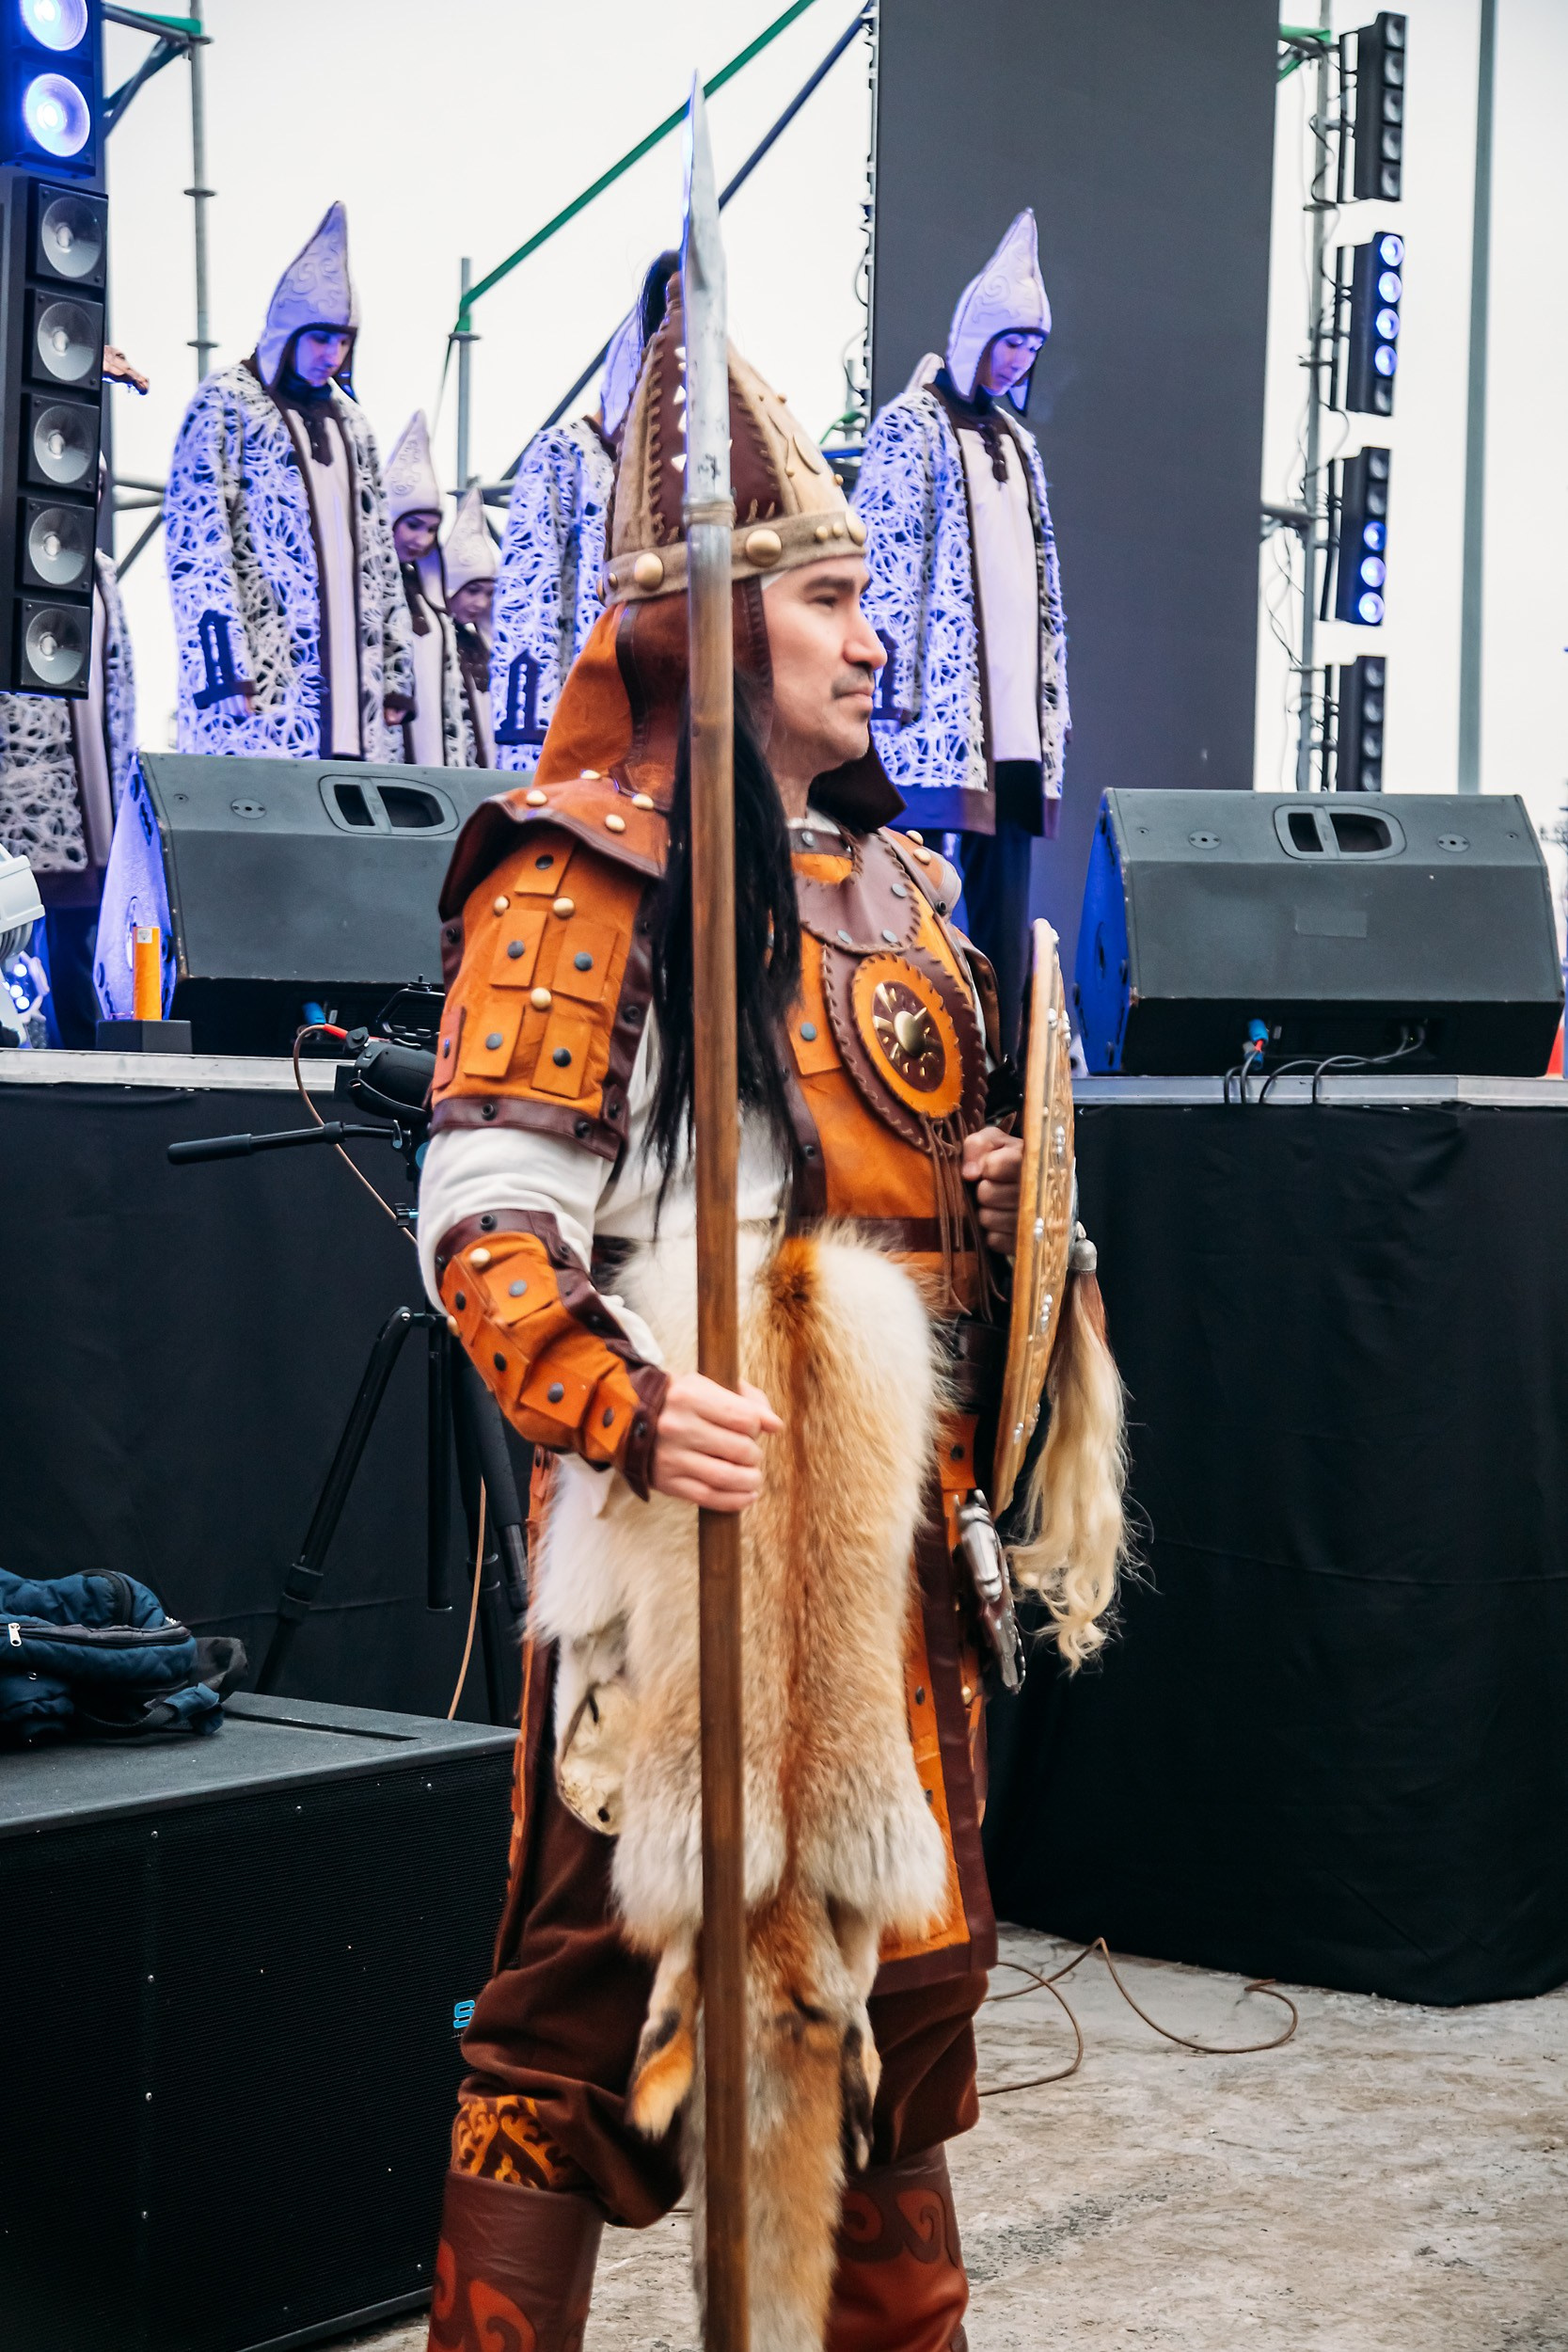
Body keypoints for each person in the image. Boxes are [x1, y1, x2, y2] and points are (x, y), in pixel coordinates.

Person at [417, 285, 1124, 2352]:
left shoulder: (903, 903)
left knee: (896, 2002)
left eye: (864, 598)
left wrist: (997, 1219)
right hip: (677, 1568)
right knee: (570, 2028)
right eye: (825, 598)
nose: (871, 636)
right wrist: (626, 1403)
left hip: (886, 1568)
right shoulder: (576, 873)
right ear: (715, 627)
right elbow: (486, 1218)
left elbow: (964, 1244)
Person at [855, 209, 1069, 1057]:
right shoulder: (909, 425)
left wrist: (1050, 707)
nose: (1018, 360)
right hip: (932, 718)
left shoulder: (1020, 445)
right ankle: (909, 1055)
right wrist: (885, 693)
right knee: (915, 890)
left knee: (1004, 899)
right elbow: (885, 559)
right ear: (977, 335)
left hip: (1012, 722)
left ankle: (1005, 1065)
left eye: (1031, 348)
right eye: (1010, 341)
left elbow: (1045, 588)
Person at [165, 201, 412, 761]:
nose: (332, 355)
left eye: (343, 342)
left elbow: (382, 558)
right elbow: (198, 544)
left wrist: (396, 673)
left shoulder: (354, 424)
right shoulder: (226, 402)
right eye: (320, 338)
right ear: (288, 330)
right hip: (265, 681)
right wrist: (223, 670)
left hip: (354, 688)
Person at [490, 251, 676, 766]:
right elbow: (529, 596)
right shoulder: (561, 453)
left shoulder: (668, 474)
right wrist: (530, 736)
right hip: (578, 708)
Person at [0, 439, 136, 1047]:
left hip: (92, 789)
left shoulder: (103, 572)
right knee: (19, 926)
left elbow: (120, 681)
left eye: (97, 487)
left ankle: (83, 1052)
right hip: (28, 793)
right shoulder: (11, 559)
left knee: (79, 938)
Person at [385, 410, 468, 768]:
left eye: (431, 530)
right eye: (414, 525)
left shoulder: (430, 599)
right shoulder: (366, 595)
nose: (422, 539)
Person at [443, 485, 498, 769]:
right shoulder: (432, 642)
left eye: (488, 594)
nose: (480, 603)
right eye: (472, 591)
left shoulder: (480, 644)